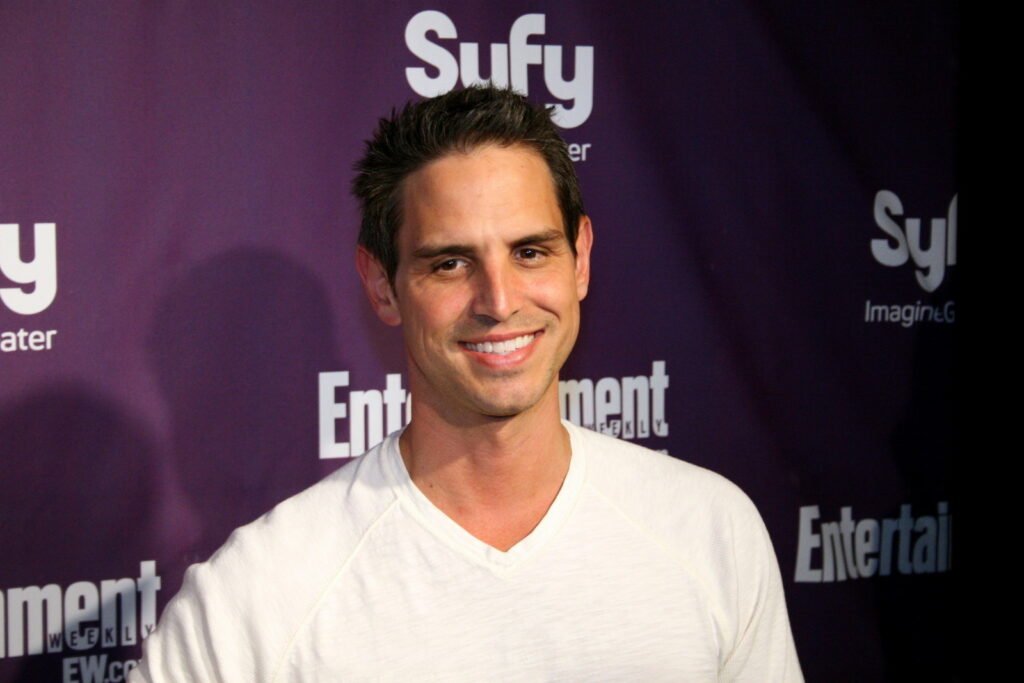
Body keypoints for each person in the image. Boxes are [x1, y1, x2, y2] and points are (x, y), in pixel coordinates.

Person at [131, 85, 803, 682]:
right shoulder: (261, 594)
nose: (499, 301)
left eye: (530, 252)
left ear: (580, 260)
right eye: (450, 263)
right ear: (382, 285)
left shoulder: (709, 529)